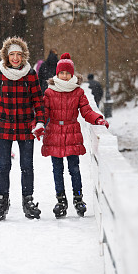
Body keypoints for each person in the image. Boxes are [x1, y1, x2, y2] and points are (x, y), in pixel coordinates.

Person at [0, 36, 45, 221]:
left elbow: (38, 100)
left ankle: (28, 200)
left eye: (18, 54)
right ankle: (2, 200)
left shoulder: (30, 74)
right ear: (6, 56)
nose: (15, 58)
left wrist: (40, 121)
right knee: (4, 166)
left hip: (25, 126)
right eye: (12, 55)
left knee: (27, 166)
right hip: (3, 126)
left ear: (23, 56)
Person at [41, 53, 109, 218]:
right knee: (57, 170)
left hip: (72, 133)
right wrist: (37, 124)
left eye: (67, 73)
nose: (64, 76)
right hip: (54, 133)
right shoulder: (49, 92)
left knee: (74, 169)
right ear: (57, 74)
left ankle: (78, 198)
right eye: (61, 73)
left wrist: (98, 119)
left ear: (72, 74)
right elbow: (43, 113)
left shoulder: (78, 92)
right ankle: (61, 200)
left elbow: (86, 111)